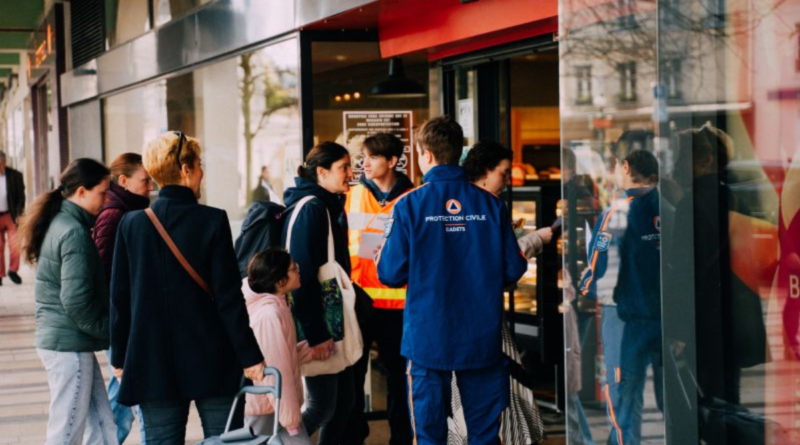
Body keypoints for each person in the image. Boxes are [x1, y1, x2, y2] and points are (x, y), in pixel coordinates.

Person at [377, 116, 528, 445]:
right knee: (485, 435)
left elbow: (389, 273)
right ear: (458, 152)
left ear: (426, 155)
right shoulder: (491, 205)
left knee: (429, 436)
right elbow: (514, 269)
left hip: (428, 336)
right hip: (481, 335)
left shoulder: (408, 206)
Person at [109, 132, 266, 443]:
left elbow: (120, 299)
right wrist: (250, 356)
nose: (202, 172)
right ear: (185, 169)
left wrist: (120, 357)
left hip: (152, 360)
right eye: (199, 164)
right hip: (212, 356)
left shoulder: (132, 224)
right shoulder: (212, 220)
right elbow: (228, 299)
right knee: (225, 440)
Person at [17, 158, 117, 445]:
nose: (106, 199)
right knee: (67, 429)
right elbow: (76, 301)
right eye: (102, 192)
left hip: (69, 343)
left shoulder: (63, 221)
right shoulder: (73, 231)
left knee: (102, 424)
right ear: (82, 192)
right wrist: (109, 332)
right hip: (67, 347)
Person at [578, 149, 666, 445]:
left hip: (625, 316)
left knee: (624, 396)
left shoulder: (617, 212)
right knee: (671, 398)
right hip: (666, 314)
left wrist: (584, 287)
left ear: (626, 167)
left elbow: (597, 270)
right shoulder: (670, 207)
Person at [281, 141, 355, 445]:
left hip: (328, 322)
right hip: (321, 325)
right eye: (343, 168)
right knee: (322, 406)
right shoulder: (313, 207)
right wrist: (316, 333)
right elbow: (302, 276)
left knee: (344, 404)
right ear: (321, 172)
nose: (351, 174)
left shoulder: (324, 203)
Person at [342, 133, 414, 445]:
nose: (364, 163)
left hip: (400, 307)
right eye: (363, 157)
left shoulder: (415, 197)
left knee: (401, 380)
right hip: (359, 303)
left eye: (372, 157)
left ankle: (401, 439)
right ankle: (356, 437)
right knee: (353, 378)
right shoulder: (352, 195)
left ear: (393, 161)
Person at [92, 153, 153, 444]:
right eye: (145, 180)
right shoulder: (115, 215)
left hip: (125, 318)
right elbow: (105, 275)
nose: (151, 186)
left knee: (124, 392)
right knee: (134, 390)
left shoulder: (127, 211)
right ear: (123, 180)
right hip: (121, 320)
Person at [242, 248, 314, 444]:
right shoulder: (269, 315)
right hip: (267, 405)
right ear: (280, 281)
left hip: (272, 404)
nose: (298, 270)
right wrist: (291, 420)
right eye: (293, 268)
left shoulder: (278, 304)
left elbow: (283, 354)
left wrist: (310, 349)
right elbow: (275, 371)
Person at [463, 141, 554, 256]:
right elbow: (505, 259)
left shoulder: (466, 202)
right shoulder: (486, 209)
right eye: (505, 174)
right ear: (485, 171)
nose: (509, 181)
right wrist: (537, 239)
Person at [0, 150, 25, 286]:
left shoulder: (15, 176)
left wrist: (19, 214)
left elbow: (21, 198)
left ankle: (13, 270)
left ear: (4, 162)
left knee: (15, 244)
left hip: (10, 215)